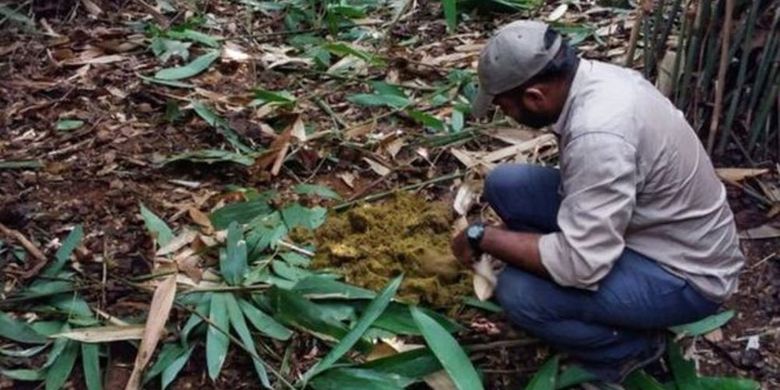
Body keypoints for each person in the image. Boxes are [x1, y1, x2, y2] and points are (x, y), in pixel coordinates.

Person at [450, 20, 745, 384]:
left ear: (534, 98)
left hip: (684, 274)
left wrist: (484, 236)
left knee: (518, 292)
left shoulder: (599, 135)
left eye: (503, 106)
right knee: (506, 184)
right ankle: (582, 292)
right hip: (648, 224)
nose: (504, 115)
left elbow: (581, 264)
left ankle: (627, 351)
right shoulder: (595, 79)